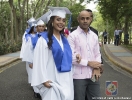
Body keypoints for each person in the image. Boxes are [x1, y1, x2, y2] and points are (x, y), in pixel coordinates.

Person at [31, 6, 74, 100]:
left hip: (66, 78)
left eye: (63, 20)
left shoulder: (64, 39)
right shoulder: (43, 39)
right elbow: (39, 61)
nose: (61, 22)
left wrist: (76, 57)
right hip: (51, 79)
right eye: (58, 19)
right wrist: (43, 79)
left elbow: (66, 57)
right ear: (52, 22)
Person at [68, 9, 102, 100]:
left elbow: (97, 54)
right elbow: (71, 57)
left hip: (93, 75)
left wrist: (96, 67)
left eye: (87, 18)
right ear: (78, 19)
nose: (85, 21)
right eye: (82, 18)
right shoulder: (72, 36)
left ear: (91, 19)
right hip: (78, 76)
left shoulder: (94, 36)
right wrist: (88, 63)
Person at [21, 22, 41, 99]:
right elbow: (27, 50)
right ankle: (36, 92)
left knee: (38, 74)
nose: (37, 28)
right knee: (33, 75)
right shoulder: (28, 37)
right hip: (31, 58)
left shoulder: (40, 36)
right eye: (35, 27)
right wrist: (30, 61)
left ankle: (39, 90)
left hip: (38, 59)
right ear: (32, 28)